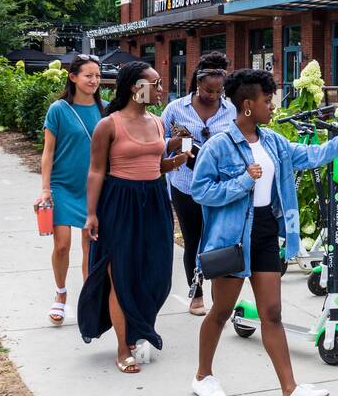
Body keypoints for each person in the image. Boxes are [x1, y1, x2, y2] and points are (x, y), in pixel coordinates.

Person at [190, 68, 338, 396]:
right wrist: (241, 183)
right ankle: (202, 375)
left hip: (263, 232)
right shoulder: (218, 146)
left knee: (271, 313)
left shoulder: (273, 142)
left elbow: (315, 155)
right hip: (232, 237)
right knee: (221, 310)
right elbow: (200, 190)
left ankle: (290, 391)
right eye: (267, 100)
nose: (272, 106)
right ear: (247, 105)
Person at [79, 63, 189, 374]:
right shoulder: (108, 125)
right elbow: (97, 170)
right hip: (119, 203)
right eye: (155, 83)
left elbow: (157, 165)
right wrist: (90, 214)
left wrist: (177, 159)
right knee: (121, 276)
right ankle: (122, 346)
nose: (160, 88)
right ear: (134, 87)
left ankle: (140, 327)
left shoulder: (157, 122)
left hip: (154, 200)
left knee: (156, 274)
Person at [162, 52, 236, 316]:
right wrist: (178, 147)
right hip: (185, 185)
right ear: (196, 83)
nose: (213, 96)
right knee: (193, 240)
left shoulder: (232, 111)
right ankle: (196, 293)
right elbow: (161, 146)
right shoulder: (175, 109)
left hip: (219, 187)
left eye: (218, 91)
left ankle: (220, 294)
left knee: (218, 240)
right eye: (207, 90)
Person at [35, 55, 105, 325]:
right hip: (62, 186)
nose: (94, 81)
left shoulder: (106, 110)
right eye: (88, 75)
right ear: (73, 77)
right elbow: (48, 152)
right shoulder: (58, 109)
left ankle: (88, 300)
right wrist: (45, 189)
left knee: (90, 249)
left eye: (97, 76)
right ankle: (61, 293)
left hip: (94, 189)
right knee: (62, 245)